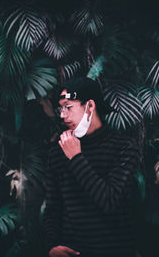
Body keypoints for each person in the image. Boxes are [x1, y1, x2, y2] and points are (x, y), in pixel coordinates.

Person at [43, 77, 139, 257]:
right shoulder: (57, 152)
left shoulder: (124, 147)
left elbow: (109, 201)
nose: (63, 115)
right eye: (60, 109)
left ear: (90, 106)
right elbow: (53, 208)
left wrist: (76, 157)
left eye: (68, 107)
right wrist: (52, 246)